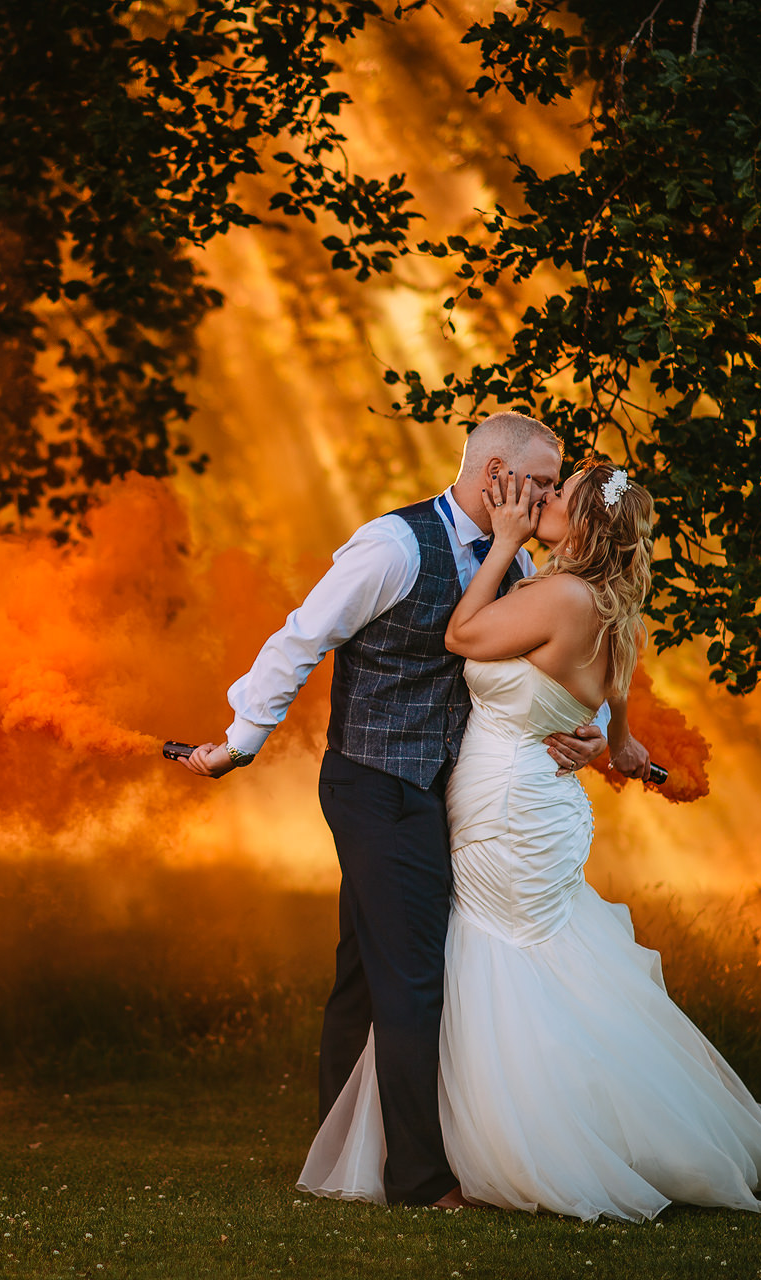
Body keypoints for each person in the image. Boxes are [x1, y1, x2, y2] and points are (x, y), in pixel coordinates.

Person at [296, 459, 761, 1219]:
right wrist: (603, 743)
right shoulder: (608, 609)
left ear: (587, 524)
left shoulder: (557, 592)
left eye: (559, 496)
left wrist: (500, 539)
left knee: (493, 962)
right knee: (551, 968)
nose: (543, 499)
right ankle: (556, 1135)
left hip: (508, 809)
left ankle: (510, 1147)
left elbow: (462, 635)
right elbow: (619, 741)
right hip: (539, 807)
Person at [180, 412, 609, 1208]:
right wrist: (242, 740)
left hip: (443, 793)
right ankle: (418, 1179)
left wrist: (593, 732)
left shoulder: (517, 566)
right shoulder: (394, 546)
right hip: (375, 785)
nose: (553, 500)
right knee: (415, 978)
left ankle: (338, 1153)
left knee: (365, 976)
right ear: (496, 477)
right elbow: (301, 637)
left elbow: (566, 658)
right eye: (543, 483)